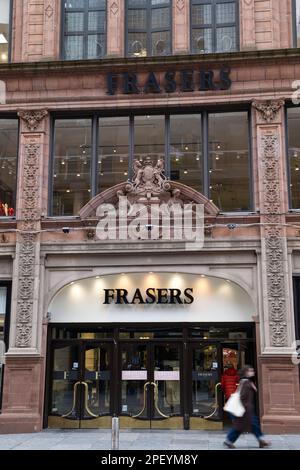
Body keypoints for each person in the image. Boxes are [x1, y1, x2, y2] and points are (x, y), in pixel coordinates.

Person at [223, 365, 271, 449]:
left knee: (245, 426)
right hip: (245, 409)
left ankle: (260, 440)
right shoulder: (245, 382)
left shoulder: (246, 381)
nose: (253, 372)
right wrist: (244, 409)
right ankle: (260, 440)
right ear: (246, 372)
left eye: (252, 370)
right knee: (246, 425)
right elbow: (242, 396)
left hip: (246, 408)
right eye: (250, 371)